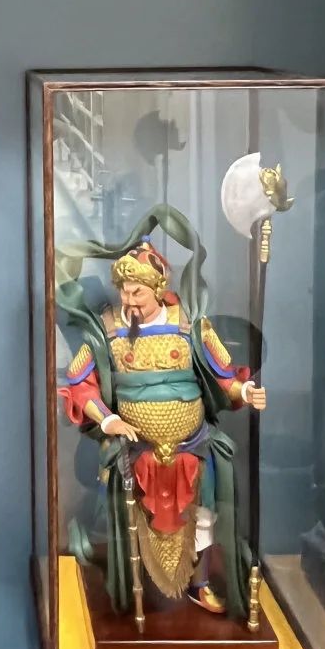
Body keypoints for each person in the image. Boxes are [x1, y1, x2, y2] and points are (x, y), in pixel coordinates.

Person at [59, 240, 265, 617]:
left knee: (204, 516)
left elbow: (223, 377)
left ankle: (199, 583)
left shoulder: (191, 325)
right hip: (136, 450)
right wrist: (108, 419)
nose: (129, 300)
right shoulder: (107, 328)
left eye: (137, 292)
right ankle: (130, 584)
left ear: (157, 289)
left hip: (192, 446)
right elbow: (79, 384)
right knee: (128, 519)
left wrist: (246, 391)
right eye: (124, 291)